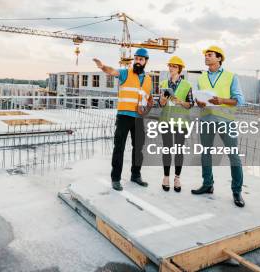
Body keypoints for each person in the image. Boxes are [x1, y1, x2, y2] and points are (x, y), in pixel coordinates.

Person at [191, 45, 246, 207]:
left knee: (233, 156)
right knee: (206, 153)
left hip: (225, 121)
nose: (206, 57)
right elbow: (198, 98)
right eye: (206, 55)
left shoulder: (231, 76)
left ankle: (237, 191)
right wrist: (198, 102)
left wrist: (221, 100)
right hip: (206, 119)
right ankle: (208, 184)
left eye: (210, 55)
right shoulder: (201, 78)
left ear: (219, 58)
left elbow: (239, 100)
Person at [93, 49, 153, 191]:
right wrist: (103, 67)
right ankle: (115, 179)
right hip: (124, 116)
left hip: (138, 118)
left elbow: (148, 99)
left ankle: (136, 175)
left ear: (145, 61)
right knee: (119, 147)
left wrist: (147, 108)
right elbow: (112, 71)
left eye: (141, 59)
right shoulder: (126, 73)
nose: (138, 61)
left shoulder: (149, 79)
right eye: (136, 58)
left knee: (138, 148)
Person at [158, 56, 193, 192]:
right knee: (167, 149)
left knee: (179, 150)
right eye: (170, 66)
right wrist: (162, 101)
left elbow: (190, 104)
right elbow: (160, 104)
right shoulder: (163, 84)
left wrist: (181, 102)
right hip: (166, 121)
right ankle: (166, 177)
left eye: (174, 66)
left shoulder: (186, 85)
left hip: (181, 122)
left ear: (179, 69)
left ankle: (177, 178)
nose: (171, 68)